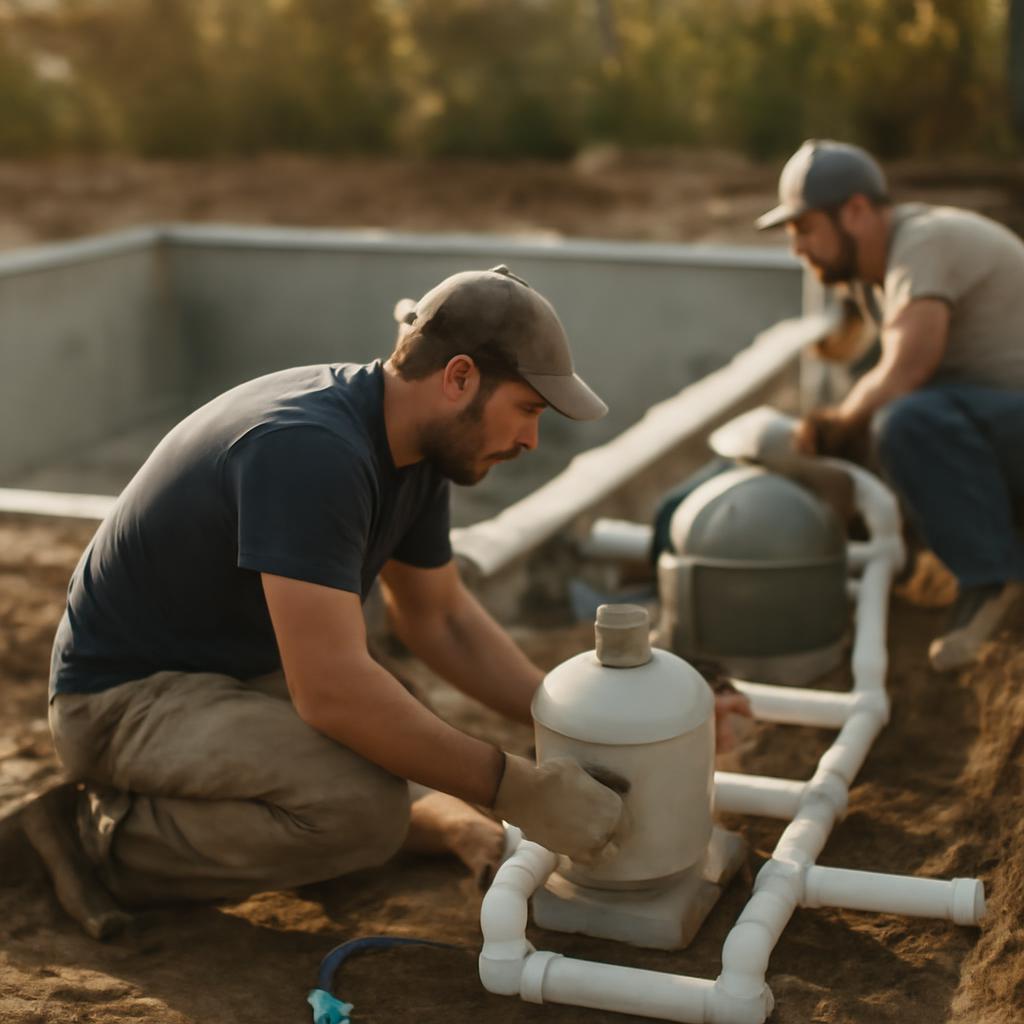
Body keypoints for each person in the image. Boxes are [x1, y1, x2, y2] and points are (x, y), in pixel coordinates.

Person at [29, 265, 629, 939]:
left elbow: (441, 619)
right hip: (120, 701)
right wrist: (515, 787)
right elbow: (332, 691)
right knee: (358, 807)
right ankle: (94, 841)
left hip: (233, 677)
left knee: (404, 725)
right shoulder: (310, 450)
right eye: (528, 409)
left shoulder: (415, 445)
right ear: (459, 377)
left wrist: (579, 723)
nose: (531, 439)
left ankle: (410, 817)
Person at [757, 139, 1024, 671]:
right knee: (889, 418)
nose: (798, 249)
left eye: (805, 229)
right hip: (1004, 428)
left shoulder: (922, 241)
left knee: (905, 417)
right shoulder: (871, 279)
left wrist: (836, 423)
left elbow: (909, 366)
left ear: (855, 212)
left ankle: (993, 583)